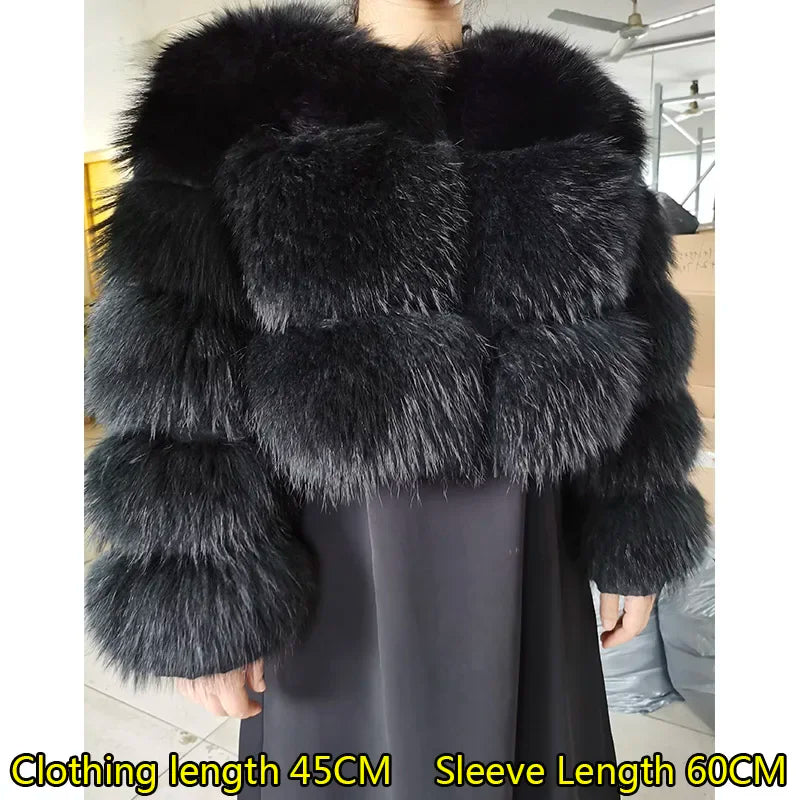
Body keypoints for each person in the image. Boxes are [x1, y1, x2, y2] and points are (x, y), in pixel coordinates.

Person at [84, 1, 708, 796]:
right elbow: (171, 380)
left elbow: (646, 354)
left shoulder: (567, 104)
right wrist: (200, 592)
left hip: (534, 543)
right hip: (335, 554)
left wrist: (636, 530)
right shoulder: (229, 93)